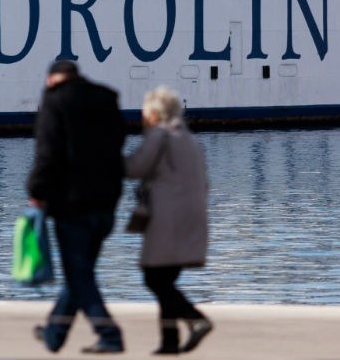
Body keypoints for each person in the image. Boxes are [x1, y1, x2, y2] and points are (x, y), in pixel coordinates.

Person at [26, 60, 127, 354]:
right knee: (80, 273)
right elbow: (118, 144)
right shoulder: (106, 98)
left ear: (52, 80)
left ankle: (109, 334)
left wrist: (36, 191)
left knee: (78, 274)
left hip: (73, 204)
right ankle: (54, 334)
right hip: (107, 202)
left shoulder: (56, 102)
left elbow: (48, 151)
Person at [124, 86, 212, 355]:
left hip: (168, 219)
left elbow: (135, 168)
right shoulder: (189, 138)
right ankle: (169, 342)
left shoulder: (160, 135)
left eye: (144, 112)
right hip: (193, 218)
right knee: (165, 278)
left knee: (154, 278)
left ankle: (195, 319)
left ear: (153, 114)